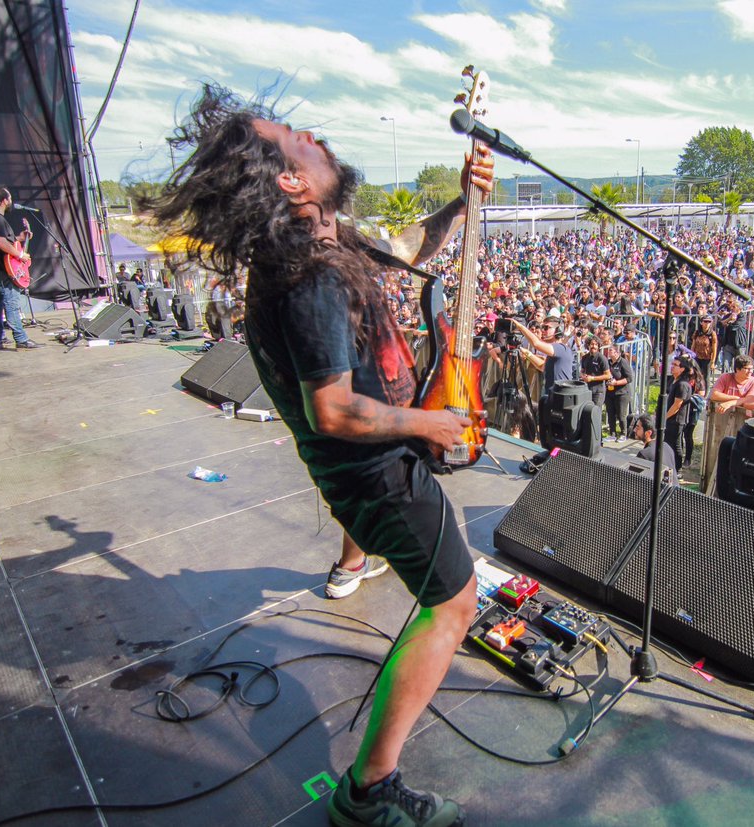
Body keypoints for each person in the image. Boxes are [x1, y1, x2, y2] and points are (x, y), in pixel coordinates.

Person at [146, 84, 494, 827]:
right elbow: (331, 409)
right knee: (452, 603)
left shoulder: (325, 237)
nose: (316, 136)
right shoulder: (305, 275)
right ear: (290, 180)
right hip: (376, 472)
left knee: (448, 597)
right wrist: (427, 424)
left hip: (383, 463)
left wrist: (460, 204)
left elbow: (407, 250)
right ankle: (369, 790)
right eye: (299, 139)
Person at [0, 185, 40, 350]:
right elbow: (0, 243)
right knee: (11, 302)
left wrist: (19, 237)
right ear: (4, 201)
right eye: (9, 198)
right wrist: (20, 255)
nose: (11, 201)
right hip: (2, 268)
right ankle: (21, 339)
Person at [516, 314, 575, 474]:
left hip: (562, 399)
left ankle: (558, 462)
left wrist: (520, 327)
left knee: (558, 435)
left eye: (546, 327)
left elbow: (535, 343)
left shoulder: (560, 348)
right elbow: (542, 366)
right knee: (550, 433)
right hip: (552, 396)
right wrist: (525, 352)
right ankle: (551, 456)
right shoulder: (553, 353)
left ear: (558, 331)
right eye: (542, 327)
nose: (542, 330)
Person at [664, 355, 698, 473]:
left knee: (675, 444)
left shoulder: (682, 384)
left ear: (682, 369)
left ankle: (677, 469)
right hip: (670, 418)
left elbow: (677, 405)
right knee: (668, 443)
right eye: (672, 364)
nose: (672, 367)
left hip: (677, 420)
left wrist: (665, 417)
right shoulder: (673, 380)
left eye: (675, 365)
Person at [604, 343, 634, 441]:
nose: (609, 352)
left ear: (617, 352)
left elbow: (629, 378)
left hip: (622, 393)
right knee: (610, 413)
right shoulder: (608, 363)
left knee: (621, 415)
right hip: (609, 392)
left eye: (611, 350)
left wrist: (616, 383)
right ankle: (612, 433)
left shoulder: (623, 362)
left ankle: (623, 433)